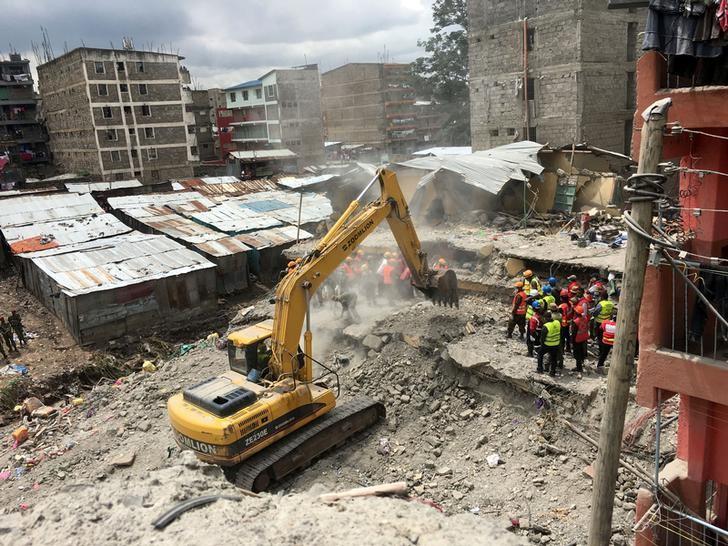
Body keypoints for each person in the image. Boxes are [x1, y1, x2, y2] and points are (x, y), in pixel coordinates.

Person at [539, 311, 561, 376]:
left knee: (540, 355)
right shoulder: (557, 322)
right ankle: (552, 372)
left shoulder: (546, 326)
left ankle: (540, 369)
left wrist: (542, 345)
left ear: (545, 318)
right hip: (556, 343)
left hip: (547, 344)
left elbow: (542, 338)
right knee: (554, 358)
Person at [571, 305, 589, 374]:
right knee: (581, 352)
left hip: (577, 339)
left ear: (576, 312)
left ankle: (579, 368)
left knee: (576, 354)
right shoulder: (585, 318)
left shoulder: (575, 322)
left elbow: (574, 333)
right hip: (584, 337)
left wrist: (572, 341)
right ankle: (581, 363)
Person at [558, 289, 572, 354]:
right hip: (568, 323)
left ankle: (562, 350)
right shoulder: (570, 304)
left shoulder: (561, 306)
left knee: (562, 337)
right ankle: (568, 348)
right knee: (567, 336)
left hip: (562, 324)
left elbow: (559, 315)